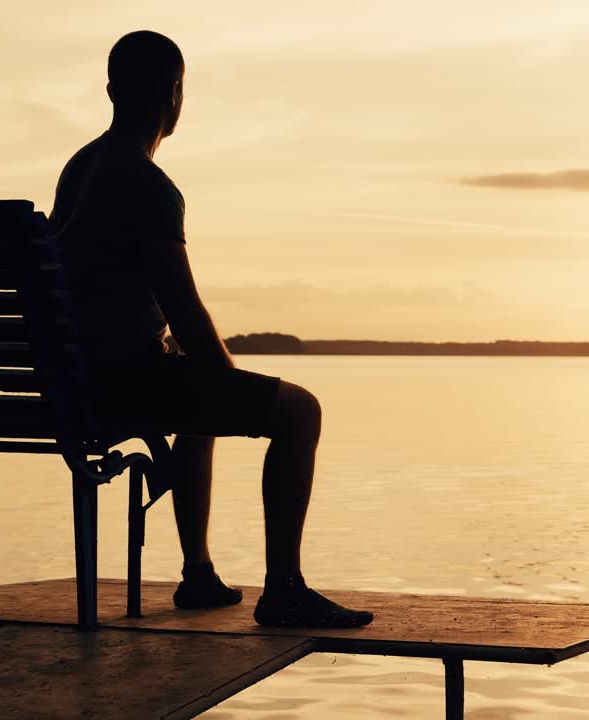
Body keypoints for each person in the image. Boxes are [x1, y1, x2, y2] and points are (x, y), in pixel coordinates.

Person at [48, 30, 373, 629]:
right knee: (300, 412)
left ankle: (198, 575)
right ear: (175, 96)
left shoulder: (82, 165)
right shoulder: (146, 185)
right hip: (121, 383)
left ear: (113, 91)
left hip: (75, 378)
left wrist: (201, 376)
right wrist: (233, 390)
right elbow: (187, 312)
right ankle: (284, 590)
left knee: (196, 392)